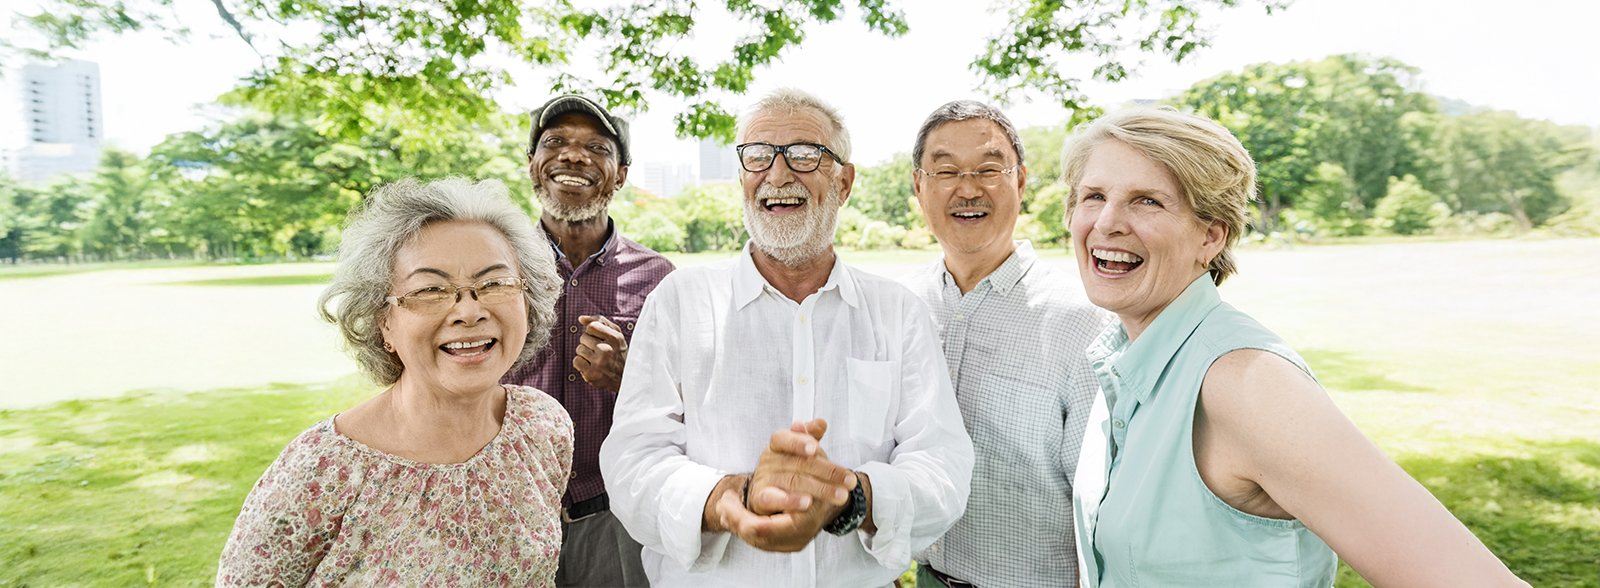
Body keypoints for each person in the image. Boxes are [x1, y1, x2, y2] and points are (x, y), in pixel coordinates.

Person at [1064, 107, 1528, 587]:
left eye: (1148, 201)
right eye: (1093, 196)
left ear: (1211, 235)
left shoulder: (1243, 381)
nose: (1108, 222)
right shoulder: (1123, 361)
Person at [598, 88, 974, 587]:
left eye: (804, 154)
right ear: (741, 179)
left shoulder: (897, 312)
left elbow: (942, 465)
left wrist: (849, 497)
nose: (777, 174)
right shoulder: (681, 301)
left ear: (844, 182)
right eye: (758, 156)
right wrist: (730, 499)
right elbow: (632, 461)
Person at [216, 178, 572, 585]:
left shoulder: (542, 426)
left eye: (494, 284)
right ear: (384, 321)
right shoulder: (322, 470)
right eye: (430, 290)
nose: (468, 311)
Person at [905, 100, 1111, 587]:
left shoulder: (1082, 320)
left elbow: (1101, 504)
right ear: (918, 186)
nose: (968, 188)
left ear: (1020, 181)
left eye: (989, 169)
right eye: (946, 170)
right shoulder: (901, 308)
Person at [502, 93, 674, 587]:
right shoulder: (495, 267)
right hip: (509, 509)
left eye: (596, 147)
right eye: (554, 142)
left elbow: (691, 407)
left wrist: (629, 376)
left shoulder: (659, 277)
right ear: (532, 165)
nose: (573, 156)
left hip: (616, 516)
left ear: (620, 174)